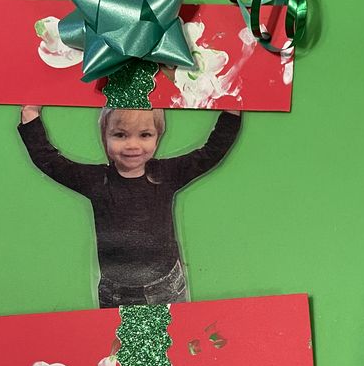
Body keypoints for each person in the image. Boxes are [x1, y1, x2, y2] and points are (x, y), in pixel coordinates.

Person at [18, 105, 242, 307]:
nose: (132, 145)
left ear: (157, 137)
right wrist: (30, 114)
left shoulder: (166, 174)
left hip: (166, 287)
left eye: (145, 135)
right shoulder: (97, 181)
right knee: (118, 350)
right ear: (105, 137)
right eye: (120, 135)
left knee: (174, 343)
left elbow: (211, 152)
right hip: (116, 293)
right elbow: (51, 163)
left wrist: (232, 111)